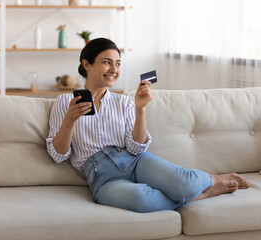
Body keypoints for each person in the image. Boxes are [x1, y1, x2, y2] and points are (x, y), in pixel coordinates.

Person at [46, 38, 249, 213]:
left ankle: (211, 179)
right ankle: (200, 195)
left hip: (135, 161)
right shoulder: (65, 103)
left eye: (118, 63)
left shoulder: (124, 102)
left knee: (184, 183)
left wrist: (140, 109)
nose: (114, 70)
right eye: (107, 63)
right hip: (101, 175)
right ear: (87, 64)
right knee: (142, 200)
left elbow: (137, 147)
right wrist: (70, 120)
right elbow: (58, 155)